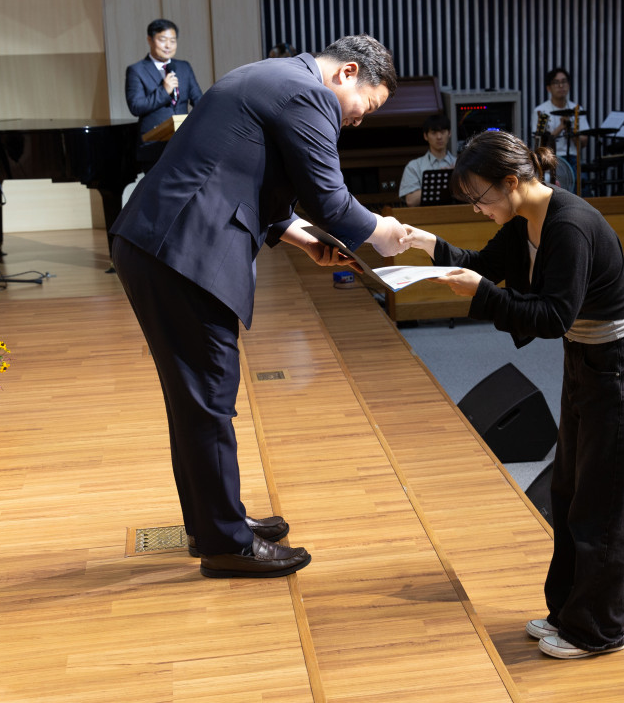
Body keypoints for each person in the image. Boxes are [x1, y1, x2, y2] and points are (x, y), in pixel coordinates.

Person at [110, 34, 410, 578]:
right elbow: (330, 200)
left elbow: (242, 176)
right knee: (208, 398)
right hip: (183, 251)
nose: (358, 120)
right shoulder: (307, 93)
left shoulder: (270, 76)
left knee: (195, 400)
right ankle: (227, 545)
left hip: (162, 243)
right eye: (366, 107)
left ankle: (214, 523)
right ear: (347, 73)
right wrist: (380, 231)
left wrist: (303, 239)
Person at [401, 130, 624, 659]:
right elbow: (483, 265)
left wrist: (484, 297)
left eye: (479, 197)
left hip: (622, 367)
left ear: (511, 182)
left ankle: (598, 631)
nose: (477, 209)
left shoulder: (568, 225)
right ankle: (567, 614)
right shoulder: (525, 219)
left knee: (605, 505)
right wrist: (423, 243)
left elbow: (551, 316)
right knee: (568, 494)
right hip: (587, 360)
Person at [125, 19, 203, 163]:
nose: (168, 45)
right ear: (150, 40)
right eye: (162, 40)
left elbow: (198, 100)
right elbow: (136, 107)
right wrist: (164, 91)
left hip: (183, 141)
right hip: (153, 144)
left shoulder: (184, 67)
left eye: (173, 41)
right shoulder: (137, 70)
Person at [531, 67, 589, 194]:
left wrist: (571, 130)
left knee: (583, 183)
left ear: (569, 85)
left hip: (572, 157)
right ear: (548, 88)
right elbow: (540, 144)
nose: (561, 86)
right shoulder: (541, 111)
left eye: (564, 82)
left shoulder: (577, 109)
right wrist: (560, 127)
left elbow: (584, 142)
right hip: (550, 159)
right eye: (556, 83)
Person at [399, 113, 455, 206]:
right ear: (425, 136)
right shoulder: (413, 166)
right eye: (434, 133)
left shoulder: (460, 164)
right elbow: (411, 201)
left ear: (449, 133)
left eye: (443, 132)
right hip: (425, 214)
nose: (439, 137)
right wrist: (440, 183)